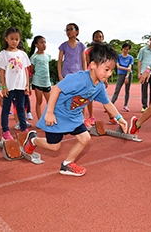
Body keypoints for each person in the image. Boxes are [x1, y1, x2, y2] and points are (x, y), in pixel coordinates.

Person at [23, 43, 128, 176]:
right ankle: (33, 139)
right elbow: (56, 89)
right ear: (93, 65)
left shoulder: (99, 86)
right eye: (106, 69)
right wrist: (49, 113)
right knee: (54, 147)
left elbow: (107, 104)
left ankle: (67, 164)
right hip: (58, 115)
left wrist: (120, 118)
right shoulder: (79, 79)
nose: (109, 74)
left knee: (85, 138)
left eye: (112, 70)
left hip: (74, 116)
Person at [0, 27, 31, 140]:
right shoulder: (3, 54)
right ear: (6, 39)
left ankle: (24, 128)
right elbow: (2, 71)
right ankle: (5, 130)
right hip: (9, 86)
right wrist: (4, 86)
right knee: (6, 108)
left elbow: (26, 70)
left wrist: (27, 85)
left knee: (21, 107)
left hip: (20, 86)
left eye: (17, 39)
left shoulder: (22, 54)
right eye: (12, 39)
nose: (14, 41)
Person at [84, 30, 105, 126]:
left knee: (103, 96)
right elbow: (87, 63)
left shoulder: (105, 51)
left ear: (103, 39)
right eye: (96, 37)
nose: (98, 38)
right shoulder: (89, 51)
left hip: (101, 75)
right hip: (91, 75)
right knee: (89, 97)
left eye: (100, 37)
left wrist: (106, 79)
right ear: (93, 38)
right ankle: (90, 116)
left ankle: (112, 117)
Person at [29, 35, 51, 120]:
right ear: (36, 45)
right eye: (41, 42)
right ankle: (40, 120)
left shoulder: (47, 56)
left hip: (47, 82)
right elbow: (31, 70)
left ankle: (49, 118)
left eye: (45, 42)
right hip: (38, 82)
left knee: (50, 102)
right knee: (39, 101)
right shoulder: (34, 57)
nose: (44, 44)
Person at [111, 42, 134, 112]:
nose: (125, 50)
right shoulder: (118, 57)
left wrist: (127, 77)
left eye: (127, 49)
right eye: (124, 49)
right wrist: (126, 69)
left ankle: (125, 106)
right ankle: (111, 105)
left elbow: (130, 68)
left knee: (127, 90)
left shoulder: (130, 58)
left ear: (129, 50)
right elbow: (118, 66)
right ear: (122, 49)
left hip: (128, 75)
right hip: (121, 75)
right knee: (117, 89)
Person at [17, 41, 33, 120]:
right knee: (18, 102)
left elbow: (28, 75)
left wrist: (28, 86)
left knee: (26, 98)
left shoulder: (26, 63)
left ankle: (29, 112)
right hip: (17, 85)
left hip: (24, 85)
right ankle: (20, 117)